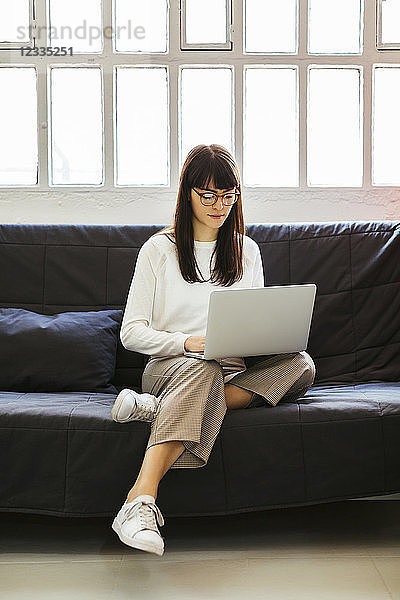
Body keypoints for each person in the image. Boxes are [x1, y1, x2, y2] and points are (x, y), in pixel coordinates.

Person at [110, 144, 316, 556]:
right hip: (172, 365)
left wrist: (262, 341)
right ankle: (138, 501)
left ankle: (158, 408)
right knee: (200, 370)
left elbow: (255, 319)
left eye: (228, 195)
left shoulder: (247, 250)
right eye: (208, 195)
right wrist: (188, 343)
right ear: (187, 193)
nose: (219, 205)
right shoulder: (158, 250)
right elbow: (131, 333)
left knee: (301, 365)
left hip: (232, 369)